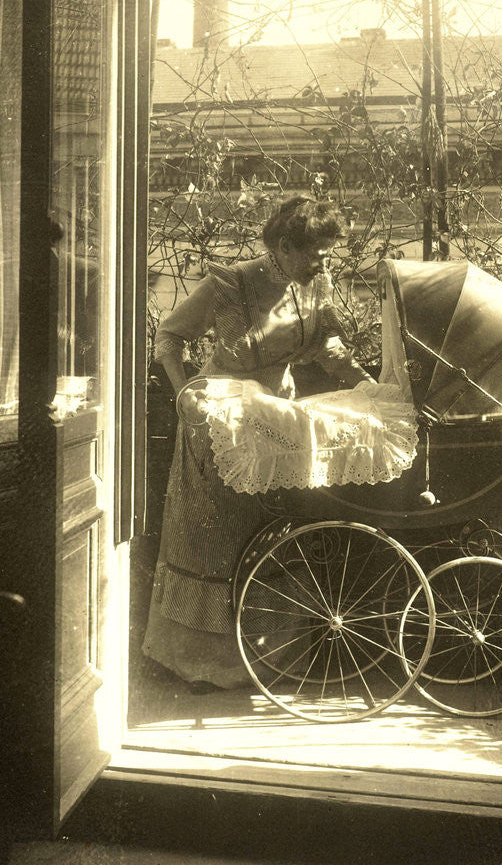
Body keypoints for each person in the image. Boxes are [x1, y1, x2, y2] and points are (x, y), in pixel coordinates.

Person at [142, 196, 379, 692]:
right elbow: (169, 336)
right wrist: (184, 394)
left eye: (327, 254)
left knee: (269, 533)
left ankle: (265, 659)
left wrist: (367, 385)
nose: (324, 264)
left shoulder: (314, 286)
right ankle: (203, 665)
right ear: (285, 247)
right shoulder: (229, 284)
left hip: (275, 420)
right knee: (216, 541)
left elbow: (328, 348)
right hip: (219, 423)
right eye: (316, 254)